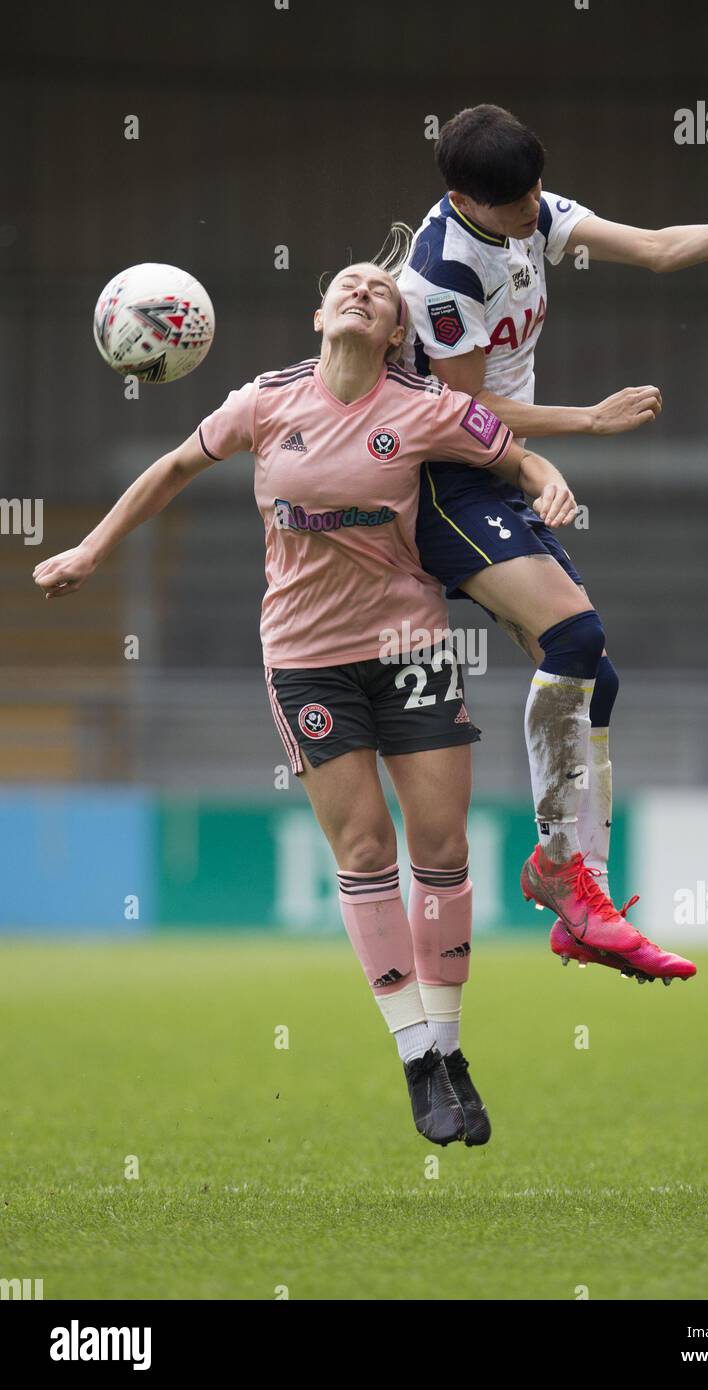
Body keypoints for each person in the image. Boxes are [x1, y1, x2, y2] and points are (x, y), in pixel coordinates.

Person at [32, 253, 583, 1145]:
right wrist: (92, 550)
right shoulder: (265, 401)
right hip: (306, 659)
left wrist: (546, 479)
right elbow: (174, 467)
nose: (363, 291)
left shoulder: (427, 409)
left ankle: (450, 1050)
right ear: (318, 314)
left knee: (440, 842)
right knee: (366, 846)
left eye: (380, 290)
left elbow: (512, 452)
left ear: (399, 331)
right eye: (345, 285)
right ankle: (415, 1062)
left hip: (409, 646)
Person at [398, 103, 708, 982]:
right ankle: (562, 872)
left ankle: (580, 898)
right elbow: (458, 413)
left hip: (495, 467)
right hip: (440, 477)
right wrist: (583, 425)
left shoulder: (531, 210)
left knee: (597, 671)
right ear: (462, 198)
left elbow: (656, 247)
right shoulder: (442, 272)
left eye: (538, 192)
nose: (536, 212)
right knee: (576, 639)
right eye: (516, 204)